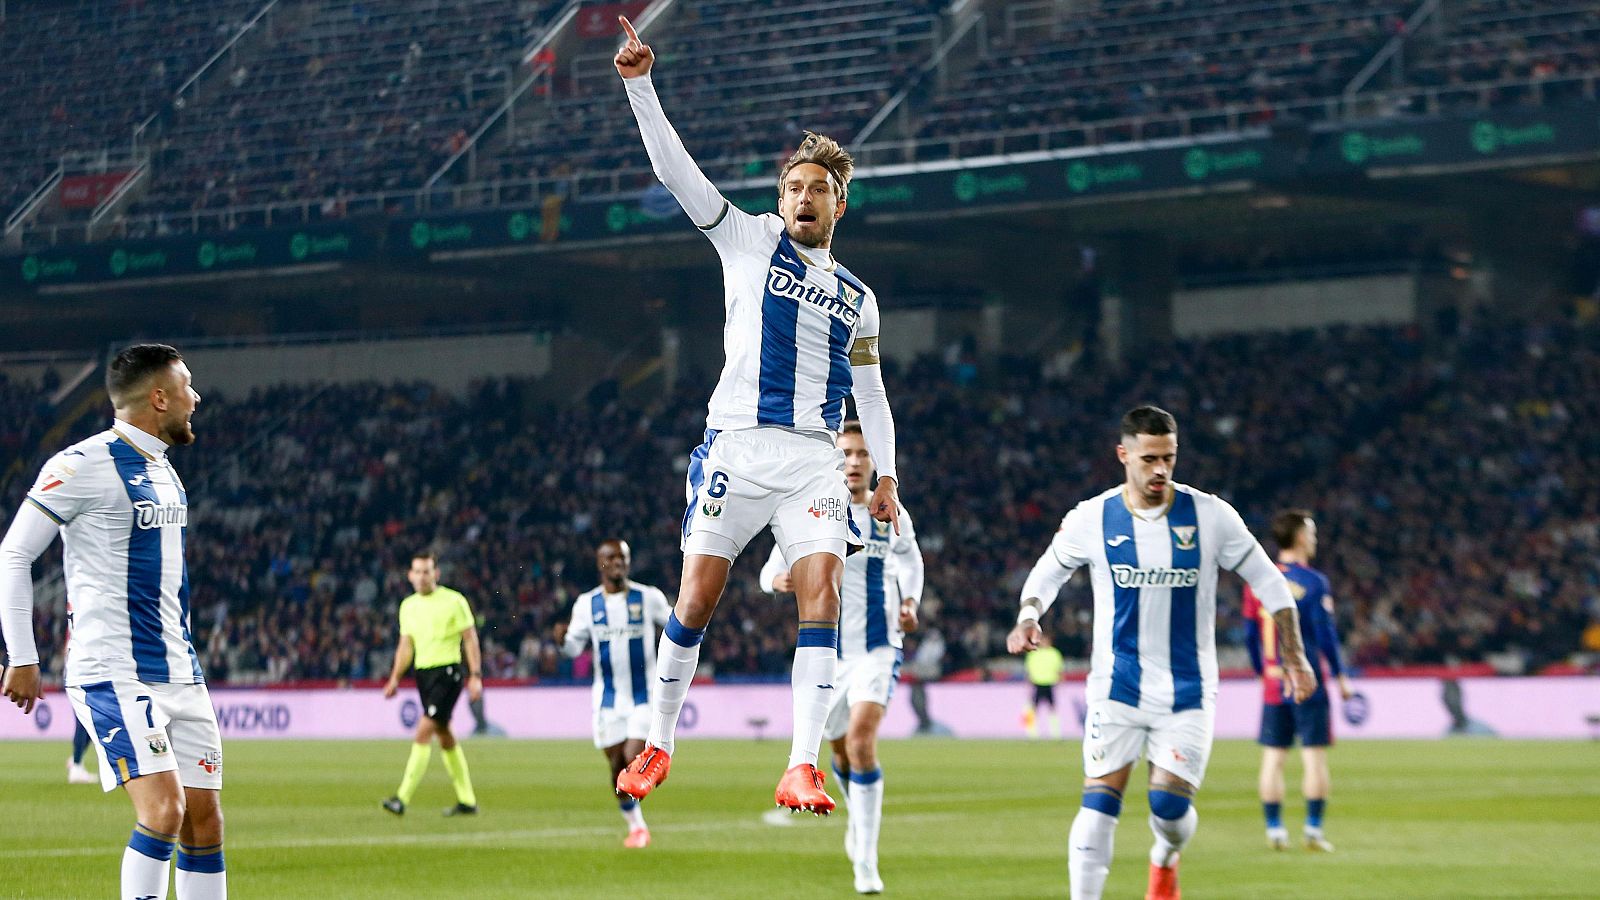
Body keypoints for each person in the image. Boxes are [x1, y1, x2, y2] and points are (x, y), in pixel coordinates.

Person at [611, 14, 902, 816]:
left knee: (824, 595)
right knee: (695, 599)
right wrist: (641, 87)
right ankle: (658, 744)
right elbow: (678, 176)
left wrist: (884, 476)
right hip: (736, 450)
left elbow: (869, 394)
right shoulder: (747, 240)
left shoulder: (859, 298)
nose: (805, 197)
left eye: (819, 189)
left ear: (841, 204)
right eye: (794, 187)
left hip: (814, 456)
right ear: (781, 200)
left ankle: (801, 765)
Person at [1007, 405, 1316, 900]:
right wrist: (1029, 614)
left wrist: (1296, 657)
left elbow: (1271, 584)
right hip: (1116, 685)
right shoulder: (1093, 517)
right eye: (1149, 458)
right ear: (1123, 454)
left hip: (1188, 691)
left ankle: (1165, 856)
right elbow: (1049, 570)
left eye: (1168, 458)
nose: (1160, 470)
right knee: (1097, 804)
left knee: (1168, 811)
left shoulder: (1211, 516)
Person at [2, 344, 228, 899]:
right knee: (165, 810)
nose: (195, 397)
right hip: (113, 670)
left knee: (205, 822)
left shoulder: (164, 470)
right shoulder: (80, 465)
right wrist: (23, 655)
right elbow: (13, 554)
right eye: (186, 387)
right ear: (158, 397)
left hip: (181, 669)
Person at [759, 422, 923, 893]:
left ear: (874, 463)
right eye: (846, 452)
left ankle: (866, 861)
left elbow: (911, 559)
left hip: (877, 649)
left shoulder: (888, 512)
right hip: (827, 656)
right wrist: (778, 581)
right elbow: (770, 569)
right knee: (839, 752)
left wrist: (910, 600)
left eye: (861, 453)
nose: (853, 461)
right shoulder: (808, 508)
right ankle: (859, 817)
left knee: (861, 743)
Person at [1243, 509, 1352, 852]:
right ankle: (1313, 831)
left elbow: (1250, 636)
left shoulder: (1257, 580)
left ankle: (1275, 830)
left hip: (1275, 683)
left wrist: (1263, 673)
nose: (1316, 539)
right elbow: (1325, 635)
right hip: (1307, 682)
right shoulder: (1315, 582)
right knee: (1313, 758)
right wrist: (1339, 675)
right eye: (1313, 532)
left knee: (1273, 759)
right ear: (1301, 536)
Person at [557, 539, 672, 848]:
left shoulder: (648, 598)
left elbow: (678, 625)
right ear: (601, 563)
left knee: (633, 756)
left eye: (623, 557)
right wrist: (561, 641)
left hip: (643, 697)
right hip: (607, 700)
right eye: (611, 557)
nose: (618, 562)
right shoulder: (587, 604)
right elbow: (572, 647)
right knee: (617, 771)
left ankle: (653, 767)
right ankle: (637, 827)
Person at [381, 552, 482, 817]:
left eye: (427, 571)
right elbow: (406, 645)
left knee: (423, 730)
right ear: (410, 575)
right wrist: (394, 677)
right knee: (445, 735)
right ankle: (467, 801)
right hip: (423, 675)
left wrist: (476, 675)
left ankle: (401, 798)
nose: (422, 577)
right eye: (418, 572)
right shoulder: (408, 606)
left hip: (448, 673)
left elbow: (470, 639)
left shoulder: (453, 601)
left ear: (436, 574)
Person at [1024, 633, 1065, 739]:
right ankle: (1032, 733)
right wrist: (1029, 682)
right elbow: (1028, 670)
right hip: (1037, 683)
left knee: (1052, 709)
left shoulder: (1054, 653)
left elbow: (1059, 669)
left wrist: (1060, 680)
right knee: (1033, 710)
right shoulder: (1033, 653)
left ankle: (1056, 733)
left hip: (1049, 683)